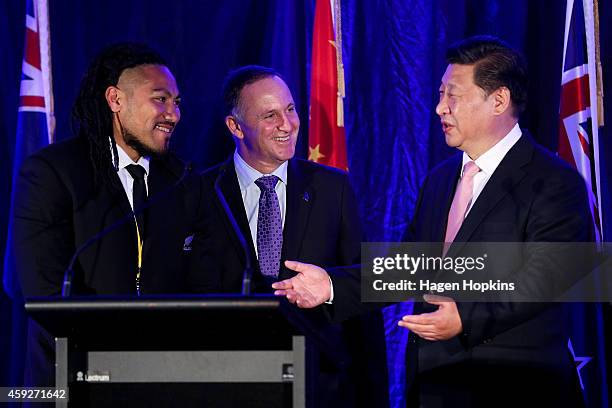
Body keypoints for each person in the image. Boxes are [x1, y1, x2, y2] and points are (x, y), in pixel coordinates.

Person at [273, 36, 592, 407]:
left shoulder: (554, 182)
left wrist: (465, 319)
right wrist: (331, 285)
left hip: (514, 388)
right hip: (435, 387)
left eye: (452, 96)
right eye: (440, 94)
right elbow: (410, 268)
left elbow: (544, 280)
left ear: (499, 101)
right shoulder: (440, 180)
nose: (439, 108)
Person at [11, 43, 206, 386]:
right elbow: (45, 293)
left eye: (177, 103)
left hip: (161, 382)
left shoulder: (182, 180)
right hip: (70, 381)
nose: (172, 114)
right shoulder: (53, 173)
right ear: (115, 99)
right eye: (160, 99)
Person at [195, 65, 388, 407]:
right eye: (270, 115)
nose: (288, 124)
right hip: (228, 384)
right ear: (235, 126)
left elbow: (363, 293)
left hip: (318, 385)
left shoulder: (332, 188)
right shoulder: (199, 193)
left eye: (290, 109)